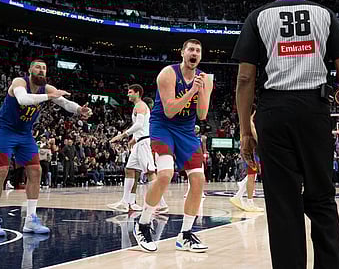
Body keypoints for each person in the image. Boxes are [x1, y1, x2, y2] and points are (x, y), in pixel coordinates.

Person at [232, 0, 339, 269]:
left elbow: (245, 79)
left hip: (272, 112)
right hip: (314, 111)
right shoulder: (325, 14)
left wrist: (245, 132)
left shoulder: (257, 17)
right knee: (322, 199)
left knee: (283, 205)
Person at [0, 58, 92, 237]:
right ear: (30, 70)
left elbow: (64, 102)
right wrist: (50, 96)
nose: (41, 70)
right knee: (1, 171)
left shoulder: (47, 88)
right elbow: (23, 99)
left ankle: (31, 220)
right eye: (37, 67)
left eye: (44, 68)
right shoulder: (20, 82)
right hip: (5, 130)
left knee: (36, 171)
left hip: (25, 133)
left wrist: (79, 109)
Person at [134, 39, 213, 253]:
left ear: (200, 55)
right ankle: (142, 224)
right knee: (165, 174)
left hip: (187, 131)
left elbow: (202, 115)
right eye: (191, 49)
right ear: (183, 53)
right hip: (163, 127)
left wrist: (202, 90)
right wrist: (191, 91)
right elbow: (170, 111)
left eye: (198, 50)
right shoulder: (168, 74)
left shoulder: (205, 79)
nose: (194, 53)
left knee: (198, 179)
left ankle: (185, 235)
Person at [108, 84, 167, 213]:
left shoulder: (140, 105)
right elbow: (144, 125)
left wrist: (123, 135)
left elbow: (139, 124)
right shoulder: (140, 106)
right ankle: (125, 202)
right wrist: (134, 138)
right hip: (140, 141)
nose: (128, 94)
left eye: (130, 92)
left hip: (144, 143)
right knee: (129, 169)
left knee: (150, 172)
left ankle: (161, 203)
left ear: (137, 93)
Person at [230, 107, 264, 212]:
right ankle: (249, 202)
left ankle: (238, 196)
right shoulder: (249, 123)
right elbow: (256, 136)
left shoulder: (246, 123)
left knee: (252, 177)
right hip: (251, 151)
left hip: (250, 150)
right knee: (251, 177)